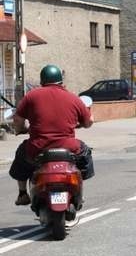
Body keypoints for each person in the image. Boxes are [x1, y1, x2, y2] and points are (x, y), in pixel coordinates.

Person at [9, 64, 95, 206]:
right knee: (86, 152)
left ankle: (22, 193)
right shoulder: (73, 98)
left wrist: (20, 129)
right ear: (61, 81)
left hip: (38, 148)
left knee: (21, 154)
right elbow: (88, 122)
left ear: (42, 81)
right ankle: (79, 190)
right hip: (68, 149)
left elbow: (17, 119)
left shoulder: (31, 96)